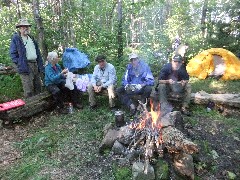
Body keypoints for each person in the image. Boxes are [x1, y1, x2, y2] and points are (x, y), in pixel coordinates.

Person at [9, 18, 44, 98]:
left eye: (27, 26)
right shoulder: (16, 38)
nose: (26, 28)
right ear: (20, 28)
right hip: (25, 65)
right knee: (28, 89)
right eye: (23, 27)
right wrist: (19, 64)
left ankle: (39, 106)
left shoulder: (31, 38)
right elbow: (13, 53)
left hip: (35, 64)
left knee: (38, 86)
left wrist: (40, 64)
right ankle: (29, 107)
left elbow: (37, 52)